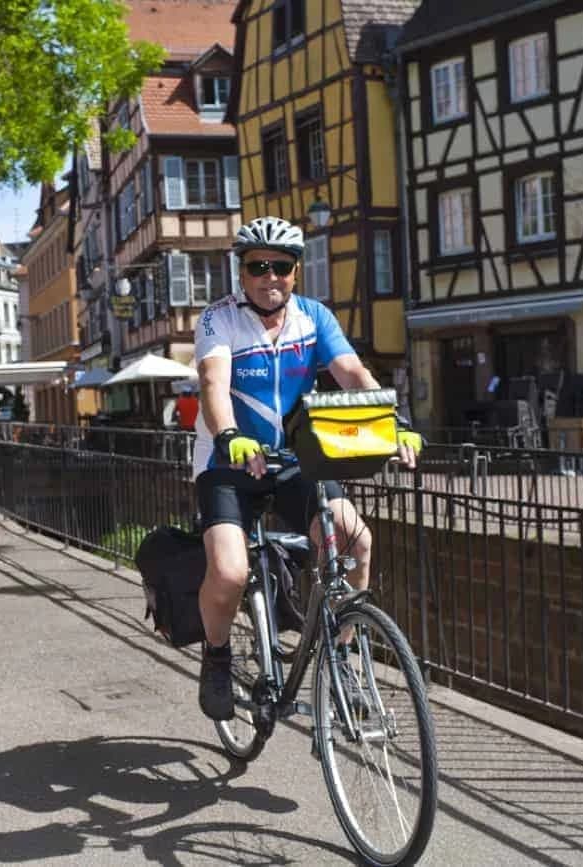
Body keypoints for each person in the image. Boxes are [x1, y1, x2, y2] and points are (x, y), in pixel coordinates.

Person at [191, 216, 418, 721]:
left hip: (295, 458)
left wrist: (394, 422)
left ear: (296, 270)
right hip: (228, 462)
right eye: (258, 267)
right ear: (242, 270)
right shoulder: (217, 319)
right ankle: (217, 657)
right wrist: (230, 436)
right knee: (230, 572)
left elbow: (353, 372)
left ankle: (344, 660)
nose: (270, 277)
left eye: (282, 267)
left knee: (356, 542)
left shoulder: (314, 316)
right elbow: (212, 383)